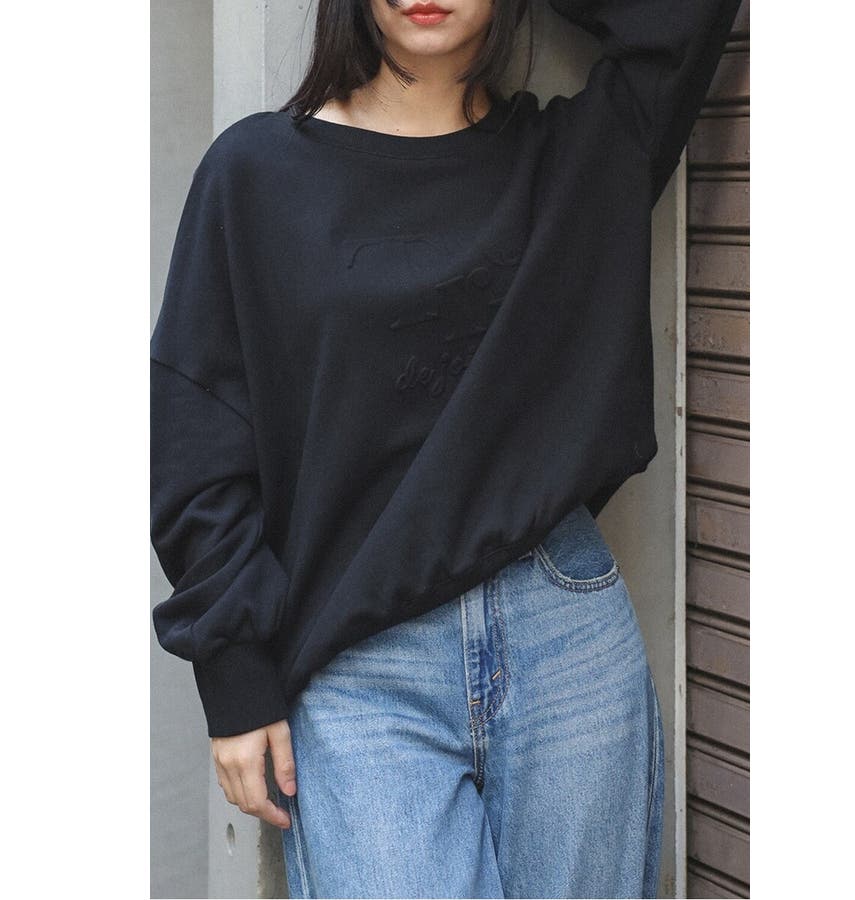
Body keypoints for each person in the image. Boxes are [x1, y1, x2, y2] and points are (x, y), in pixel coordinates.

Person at [150, 0, 743, 896]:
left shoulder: (577, 159)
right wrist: (233, 672)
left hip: (566, 640)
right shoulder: (255, 174)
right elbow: (200, 447)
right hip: (357, 662)